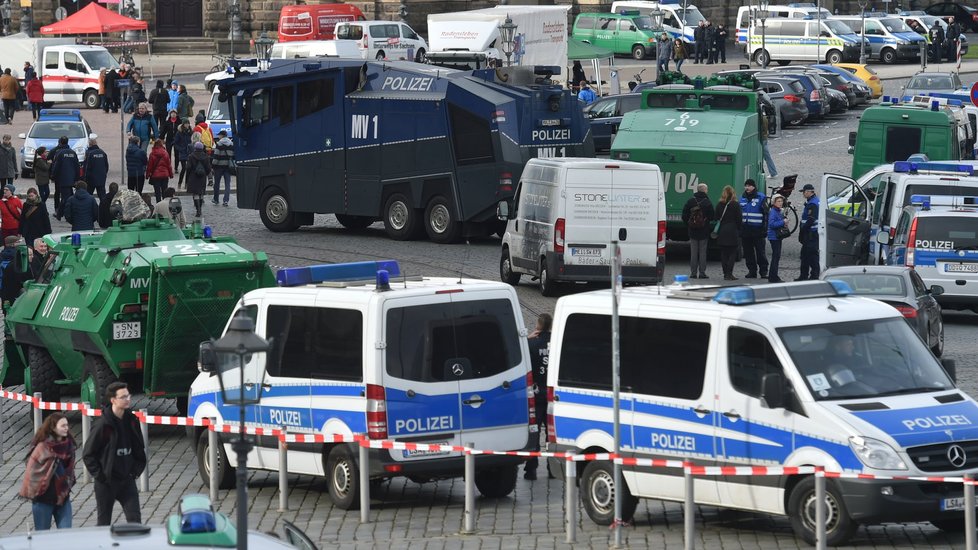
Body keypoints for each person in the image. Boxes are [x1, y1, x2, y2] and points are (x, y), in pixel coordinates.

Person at [83, 381, 146, 526]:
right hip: (106, 483)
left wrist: (135, 471)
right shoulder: (103, 425)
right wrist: (101, 476)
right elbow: (88, 454)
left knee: (135, 521)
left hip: (127, 481)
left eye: (128, 395)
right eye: (123, 397)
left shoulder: (131, 420)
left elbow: (139, 447)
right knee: (104, 523)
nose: (128, 399)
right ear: (113, 400)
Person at [18, 412, 77, 530]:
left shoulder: (69, 445)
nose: (66, 428)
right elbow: (32, 472)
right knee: (42, 537)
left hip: (63, 497)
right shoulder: (42, 448)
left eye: (67, 425)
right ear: (53, 428)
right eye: (63, 426)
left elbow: (69, 470)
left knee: (66, 535)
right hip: (43, 500)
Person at [522, 312, 552, 481]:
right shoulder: (556, 342)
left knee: (534, 431)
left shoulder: (531, 343)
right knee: (551, 433)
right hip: (551, 395)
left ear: (538, 325)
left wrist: (527, 340)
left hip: (535, 394)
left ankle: (531, 469)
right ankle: (553, 468)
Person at [682, 183, 715, 279]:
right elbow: (712, 216)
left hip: (692, 231)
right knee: (702, 252)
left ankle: (693, 273)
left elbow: (684, 215)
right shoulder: (707, 202)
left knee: (693, 253)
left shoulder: (690, 201)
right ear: (705, 190)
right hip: (704, 231)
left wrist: (689, 224)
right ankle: (702, 273)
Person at [739, 179, 768, 279]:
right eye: (746, 185)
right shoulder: (742, 198)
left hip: (758, 230)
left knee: (760, 252)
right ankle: (752, 271)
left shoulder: (761, 197)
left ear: (754, 187)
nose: (747, 188)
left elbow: (766, 214)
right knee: (748, 252)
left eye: (749, 186)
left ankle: (763, 271)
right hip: (746, 230)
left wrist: (764, 229)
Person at [715, 184, 743, 281]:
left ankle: (724, 273)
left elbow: (716, 217)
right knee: (732, 253)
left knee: (724, 253)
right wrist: (739, 229)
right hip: (733, 230)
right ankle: (729, 273)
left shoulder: (719, 204)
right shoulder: (735, 205)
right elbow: (739, 219)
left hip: (722, 230)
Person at [50, 137, 80, 220]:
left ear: (60, 143)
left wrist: (53, 176)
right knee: (67, 196)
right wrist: (77, 178)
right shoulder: (73, 153)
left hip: (62, 179)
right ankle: (61, 214)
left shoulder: (59, 153)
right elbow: (77, 166)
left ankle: (64, 214)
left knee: (65, 198)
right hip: (72, 179)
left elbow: (56, 166)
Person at [797, 183, 820, 281]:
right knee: (805, 255)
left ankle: (814, 275)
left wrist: (803, 229)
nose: (803, 194)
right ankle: (804, 275)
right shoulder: (815, 201)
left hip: (811, 233)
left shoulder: (812, 204)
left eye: (804, 192)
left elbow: (811, 219)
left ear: (809, 192)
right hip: (811, 233)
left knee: (811, 256)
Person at [186, 142, 212, 217]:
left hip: (193, 176)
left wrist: (187, 177)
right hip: (202, 177)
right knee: (201, 193)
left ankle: (198, 210)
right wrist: (206, 174)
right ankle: (200, 208)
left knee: (195, 193)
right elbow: (208, 168)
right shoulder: (206, 156)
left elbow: (188, 168)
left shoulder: (191, 156)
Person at [766, 195, 787, 283]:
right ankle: (773, 277)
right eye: (778, 201)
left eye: (781, 201)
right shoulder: (773, 212)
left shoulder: (777, 211)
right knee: (775, 257)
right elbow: (772, 224)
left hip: (776, 236)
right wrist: (783, 222)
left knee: (776, 256)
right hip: (774, 237)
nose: (780, 203)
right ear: (774, 202)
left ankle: (773, 276)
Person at [146, 139, 174, 203]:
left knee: (157, 192)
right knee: (165, 190)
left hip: (155, 176)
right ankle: (165, 204)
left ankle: (158, 204)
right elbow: (169, 165)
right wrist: (171, 174)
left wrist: (147, 175)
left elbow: (149, 166)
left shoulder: (152, 154)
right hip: (164, 175)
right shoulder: (165, 153)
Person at [211, 130, 234, 207]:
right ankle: (226, 200)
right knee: (227, 184)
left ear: (222, 135)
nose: (218, 136)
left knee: (217, 184)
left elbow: (216, 156)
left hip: (219, 167)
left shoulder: (219, 144)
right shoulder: (231, 144)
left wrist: (213, 165)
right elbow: (233, 155)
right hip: (228, 167)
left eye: (219, 135)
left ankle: (216, 199)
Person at [174, 119, 193, 188]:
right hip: (182, 152)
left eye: (188, 123)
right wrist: (180, 149)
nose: (187, 125)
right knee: (184, 168)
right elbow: (175, 143)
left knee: (189, 168)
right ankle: (180, 183)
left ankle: (187, 184)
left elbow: (193, 140)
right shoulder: (179, 132)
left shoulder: (191, 132)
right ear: (183, 124)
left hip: (189, 152)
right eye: (185, 123)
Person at [760, 109, 777, 178]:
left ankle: (773, 172)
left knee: (766, 157)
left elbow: (762, 129)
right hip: (764, 138)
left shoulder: (762, 118)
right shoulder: (765, 117)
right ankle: (772, 172)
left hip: (762, 139)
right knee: (766, 157)